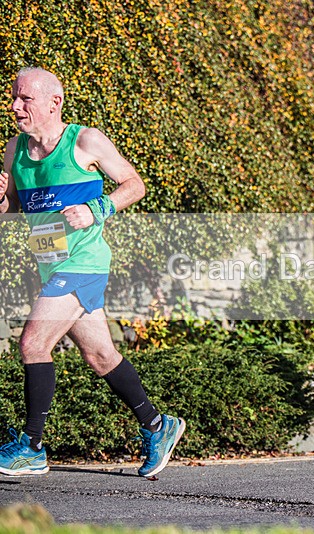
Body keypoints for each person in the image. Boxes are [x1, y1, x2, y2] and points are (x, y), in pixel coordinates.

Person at [0, 67, 185, 476]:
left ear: (54, 103)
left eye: (25, 99)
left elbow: (135, 184)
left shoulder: (84, 141)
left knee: (32, 344)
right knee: (101, 355)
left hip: (83, 263)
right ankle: (158, 425)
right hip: (50, 264)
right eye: (14, 97)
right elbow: (11, 209)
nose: (15, 106)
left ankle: (32, 446)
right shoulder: (14, 150)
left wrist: (96, 208)